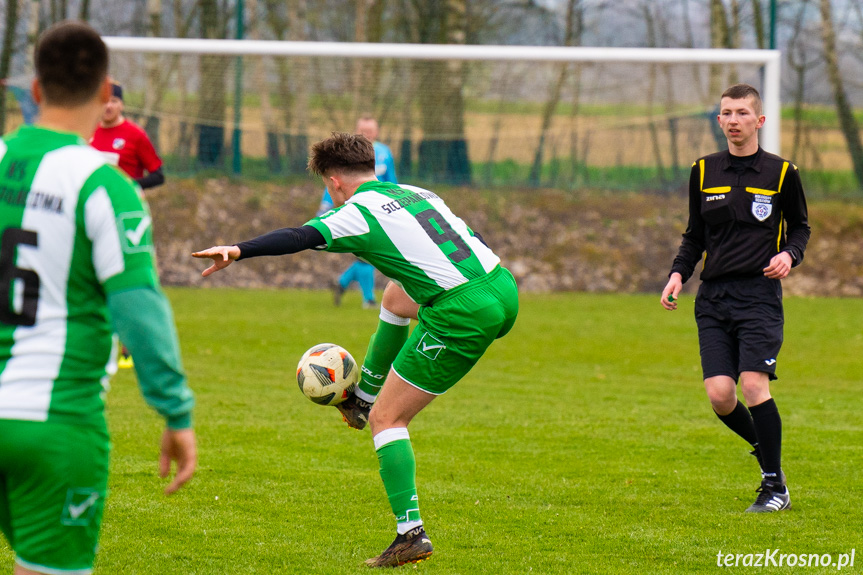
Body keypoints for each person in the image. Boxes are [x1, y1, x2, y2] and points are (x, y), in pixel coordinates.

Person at [193, 132, 518, 567]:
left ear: (333, 182)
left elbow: (298, 236)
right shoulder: (416, 191)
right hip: (502, 287)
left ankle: (410, 533)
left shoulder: (354, 212)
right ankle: (362, 396)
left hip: (462, 313)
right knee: (395, 297)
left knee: (389, 418)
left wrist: (237, 250)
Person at [0, 21, 196, 575]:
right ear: (107, 92)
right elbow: (138, 307)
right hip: (53, 422)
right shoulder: (104, 185)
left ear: (35, 91)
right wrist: (175, 411)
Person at [661, 83, 810, 513]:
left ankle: (773, 487)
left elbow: (801, 227)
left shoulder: (782, 173)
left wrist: (789, 254)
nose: (732, 120)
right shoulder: (704, 171)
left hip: (759, 295)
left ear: (759, 121)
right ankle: (771, 460)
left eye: (742, 113)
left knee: (751, 384)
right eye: (726, 112)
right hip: (713, 298)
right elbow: (694, 236)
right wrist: (677, 274)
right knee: (721, 395)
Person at [90, 82, 166, 369]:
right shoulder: (88, 133)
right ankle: (98, 340)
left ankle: (130, 346)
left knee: (131, 279)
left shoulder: (134, 135)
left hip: (126, 220)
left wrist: (131, 186)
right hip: (92, 218)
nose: (108, 106)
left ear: (121, 104)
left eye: (113, 101)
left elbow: (158, 175)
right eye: (103, 101)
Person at [318, 115, 398, 309]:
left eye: (370, 132)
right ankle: (368, 298)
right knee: (365, 254)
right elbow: (333, 182)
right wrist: (325, 207)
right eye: (363, 132)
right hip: (354, 209)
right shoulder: (348, 156)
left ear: (376, 132)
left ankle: (342, 283)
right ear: (356, 131)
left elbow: (392, 181)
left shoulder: (384, 153)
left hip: (380, 211)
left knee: (369, 253)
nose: (367, 135)